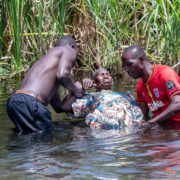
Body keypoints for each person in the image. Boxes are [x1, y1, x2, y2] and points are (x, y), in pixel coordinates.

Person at [7, 36, 83, 134]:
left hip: (14, 102)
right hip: (31, 103)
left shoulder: (45, 68)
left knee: (24, 139)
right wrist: (76, 91)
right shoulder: (68, 50)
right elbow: (63, 74)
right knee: (42, 141)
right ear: (73, 46)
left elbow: (58, 108)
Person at [59, 68, 143, 129]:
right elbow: (64, 107)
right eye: (101, 75)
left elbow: (139, 116)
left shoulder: (124, 96)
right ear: (94, 82)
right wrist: (77, 90)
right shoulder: (91, 97)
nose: (105, 77)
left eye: (108, 74)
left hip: (129, 133)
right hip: (105, 134)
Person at [121, 45, 180, 129]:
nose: (127, 70)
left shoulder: (164, 73)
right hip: (165, 127)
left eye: (129, 64)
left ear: (141, 60)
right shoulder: (140, 87)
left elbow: (178, 103)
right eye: (124, 67)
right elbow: (143, 115)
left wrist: (151, 122)